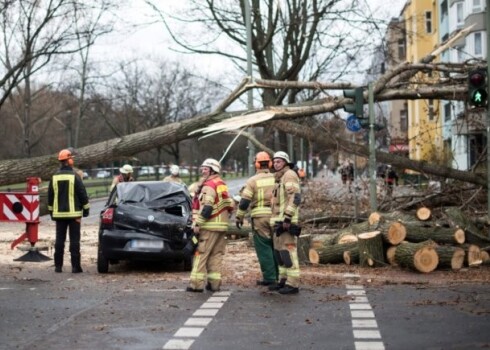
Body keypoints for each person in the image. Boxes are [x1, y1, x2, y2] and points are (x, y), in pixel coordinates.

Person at [187, 158, 234, 293]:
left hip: (209, 226)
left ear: (213, 170)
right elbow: (229, 204)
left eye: (206, 169)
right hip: (221, 226)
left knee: (200, 254)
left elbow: (207, 207)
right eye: (202, 168)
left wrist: (198, 223)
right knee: (216, 255)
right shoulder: (221, 183)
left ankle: (196, 284)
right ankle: (214, 284)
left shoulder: (209, 185)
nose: (203, 170)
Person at [235, 152, 278, 287]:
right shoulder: (277, 178)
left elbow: (244, 202)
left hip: (260, 219)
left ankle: (270, 278)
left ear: (256, 164)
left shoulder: (253, 181)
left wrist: (239, 217)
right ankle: (279, 276)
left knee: (264, 247)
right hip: (277, 216)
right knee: (276, 247)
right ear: (270, 163)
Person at [47, 149, 90, 273]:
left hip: (59, 215)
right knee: (74, 240)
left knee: (59, 240)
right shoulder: (75, 177)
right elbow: (82, 194)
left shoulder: (54, 177)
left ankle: (58, 266)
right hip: (74, 215)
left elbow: (50, 196)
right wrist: (86, 210)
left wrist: (51, 213)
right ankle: (76, 266)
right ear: (70, 160)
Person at [269, 151, 301, 295]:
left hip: (285, 222)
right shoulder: (279, 177)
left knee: (288, 252)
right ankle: (283, 279)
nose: (276, 164)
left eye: (279, 161)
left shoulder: (289, 175)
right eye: (274, 161)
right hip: (278, 221)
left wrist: (287, 217)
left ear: (286, 163)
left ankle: (293, 283)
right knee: (279, 253)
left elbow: (295, 197)